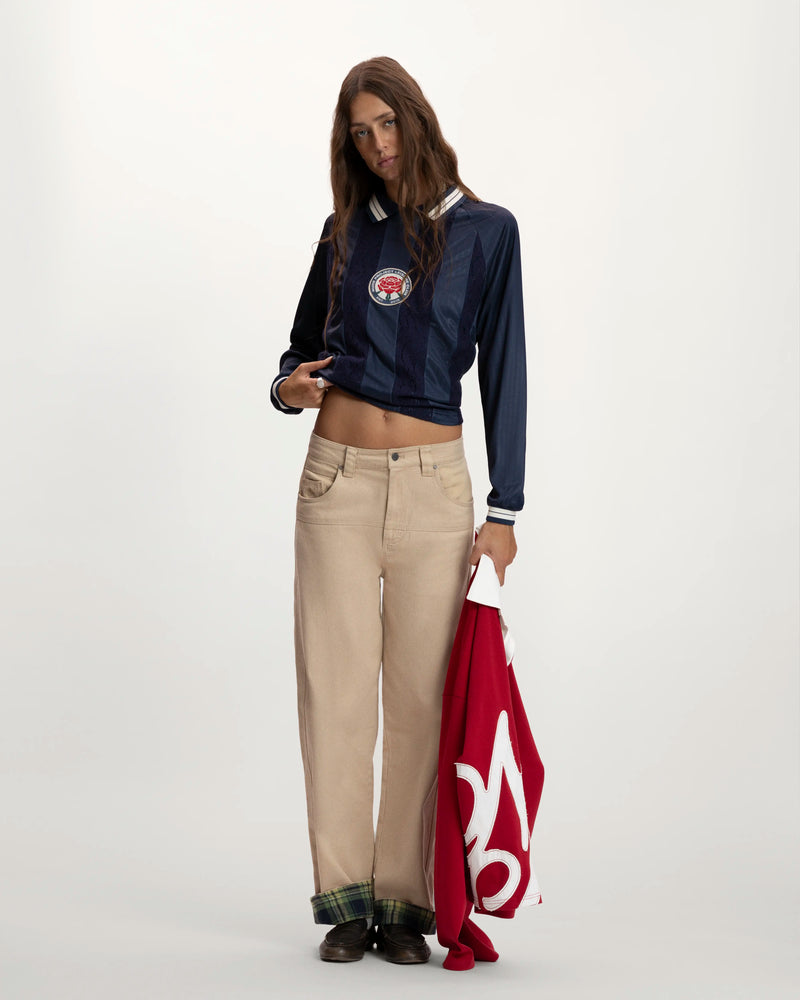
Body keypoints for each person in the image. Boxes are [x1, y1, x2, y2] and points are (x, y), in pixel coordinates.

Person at [270, 56, 527, 965]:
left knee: (422, 701)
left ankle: (405, 904)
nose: (377, 144)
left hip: (435, 490)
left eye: (386, 123)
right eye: (360, 131)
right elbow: (297, 353)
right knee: (335, 695)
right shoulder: (343, 231)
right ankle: (346, 899)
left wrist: (505, 509)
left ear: (416, 119)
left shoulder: (489, 233)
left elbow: (506, 372)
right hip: (335, 482)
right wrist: (288, 389)